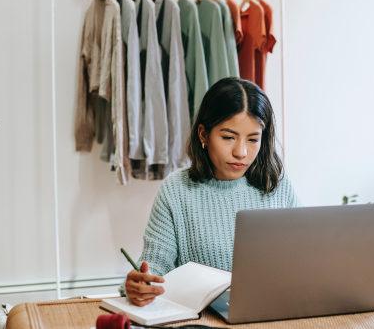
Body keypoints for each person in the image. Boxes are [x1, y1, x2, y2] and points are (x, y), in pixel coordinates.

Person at [121, 77, 302, 306]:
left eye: (253, 139)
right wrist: (140, 285)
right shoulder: (175, 191)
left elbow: (305, 257)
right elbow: (154, 268)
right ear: (203, 135)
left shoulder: (277, 183)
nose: (241, 152)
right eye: (228, 137)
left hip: (274, 312)